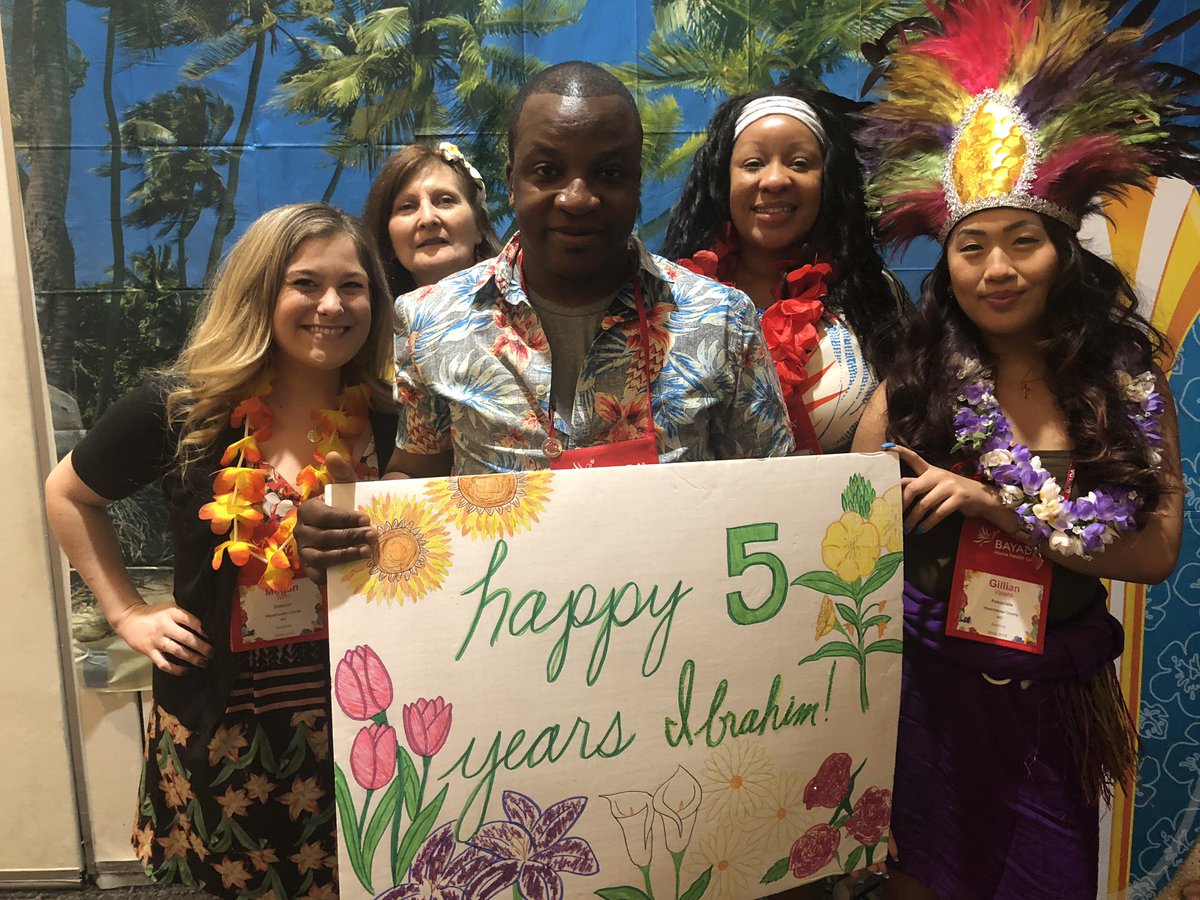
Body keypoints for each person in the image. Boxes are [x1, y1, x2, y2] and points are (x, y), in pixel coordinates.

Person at [852, 0, 1198, 896]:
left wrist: (994, 504)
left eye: (1021, 243)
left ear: (1061, 252)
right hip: (922, 699)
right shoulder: (911, 387)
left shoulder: (1124, 386)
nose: (995, 269)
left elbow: (1155, 553)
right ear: (949, 261)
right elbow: (842, 541)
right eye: (972, 248)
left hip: (1054, 705)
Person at [297, 61, 795, 575]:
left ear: (638, 184)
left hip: (671, 635)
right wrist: (352, 525)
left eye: (609, 173)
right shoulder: (428, 320)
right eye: (547, 171)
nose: (577, 198)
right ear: (511, 182)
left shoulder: (722, 319)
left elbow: (777, 497)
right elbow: (419, 473)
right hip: (505, 628)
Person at [44, 203, 397, 898]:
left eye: (352, 286)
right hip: (227, 721)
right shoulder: (183, 408)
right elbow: (68, 494)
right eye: (305, 283)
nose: (331, 304)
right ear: (260, 290)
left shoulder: (390, 415)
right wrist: (126, 615)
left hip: (357, 707)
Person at [661, 84, 905, 454]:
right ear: (723, 180)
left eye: (800, 163)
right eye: (753, 164)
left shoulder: (873, 297)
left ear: (828, 182)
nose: (775, 180)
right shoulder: (670, 299)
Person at [362, 141, 502, 296]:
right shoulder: (375, 317)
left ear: (479, 225)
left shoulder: (524, 302)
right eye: (407, 207)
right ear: (387, 237)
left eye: (445, 201)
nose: (428, 219)